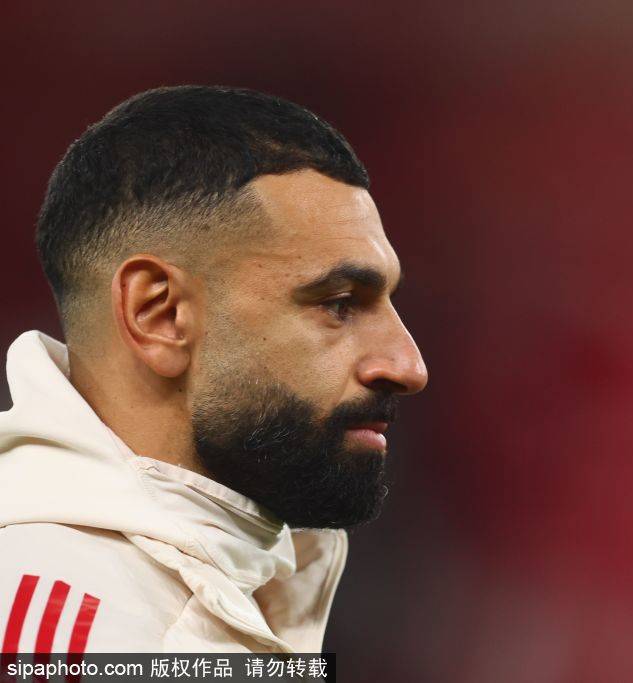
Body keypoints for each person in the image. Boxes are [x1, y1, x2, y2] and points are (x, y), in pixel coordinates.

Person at [0, 85, 428, 654]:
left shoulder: (199, 591)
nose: (408, 366)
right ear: (160, 314)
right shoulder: (101, 636)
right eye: (339, 303)